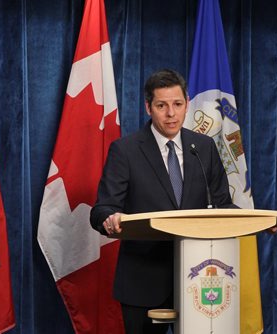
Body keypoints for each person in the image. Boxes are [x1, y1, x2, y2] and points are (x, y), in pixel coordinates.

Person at [90, 69, 236, 334]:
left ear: (187, 104)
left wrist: (261, 223)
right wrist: (109, 219)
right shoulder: (125, 150)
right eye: (162, 105)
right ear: (148, 107)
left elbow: (223, 204)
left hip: (200, 279)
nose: (171, 113)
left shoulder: (203, 147)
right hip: (142, 281)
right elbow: (102, 208)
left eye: (177, 104)